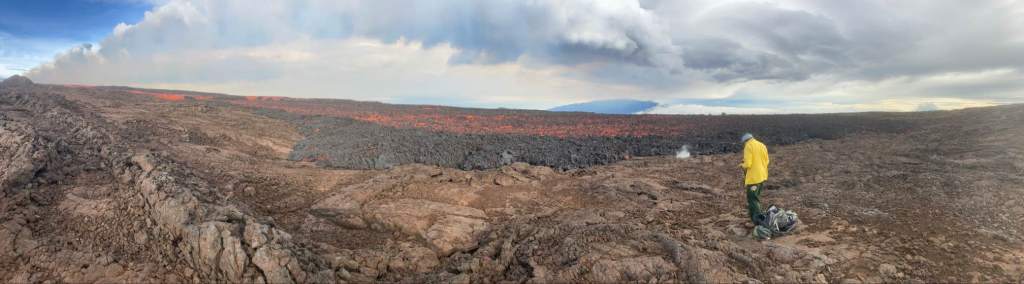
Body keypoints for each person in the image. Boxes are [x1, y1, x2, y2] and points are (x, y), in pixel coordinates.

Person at [739, 133, 770, 225]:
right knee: (756, 198)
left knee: (752, 199)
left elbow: (748, 164)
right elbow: (767, 161)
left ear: (745, 141)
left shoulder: (748, 146)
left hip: (754, 178)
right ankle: (754, 218)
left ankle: (757, 221)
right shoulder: (762, 145)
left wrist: (742, 165)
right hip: (762, 176)